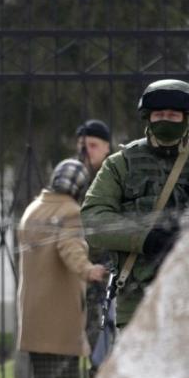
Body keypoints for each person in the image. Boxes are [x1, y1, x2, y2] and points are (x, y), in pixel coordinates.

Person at [82, 79, 189, 327]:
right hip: (138, 304)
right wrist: (146, 239)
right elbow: (93, 219)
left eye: (173, 115)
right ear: (148, 117)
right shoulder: (120, 164)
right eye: (159, 115)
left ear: (187, 119)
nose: (165, 120)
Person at [17, 159, 106, 378]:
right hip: (59, 320)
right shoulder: (69, 211)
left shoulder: (34, 209)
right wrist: (88, 269)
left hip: (34, 316)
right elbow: (70, 246)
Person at [75, 119, 113, 359]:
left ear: (107, 147)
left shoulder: (114, 177)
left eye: (93, 145)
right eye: (82, 146)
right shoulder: (73, 180)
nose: (86, 151)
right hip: (80, 272)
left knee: (106, 340)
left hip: (108, 270)